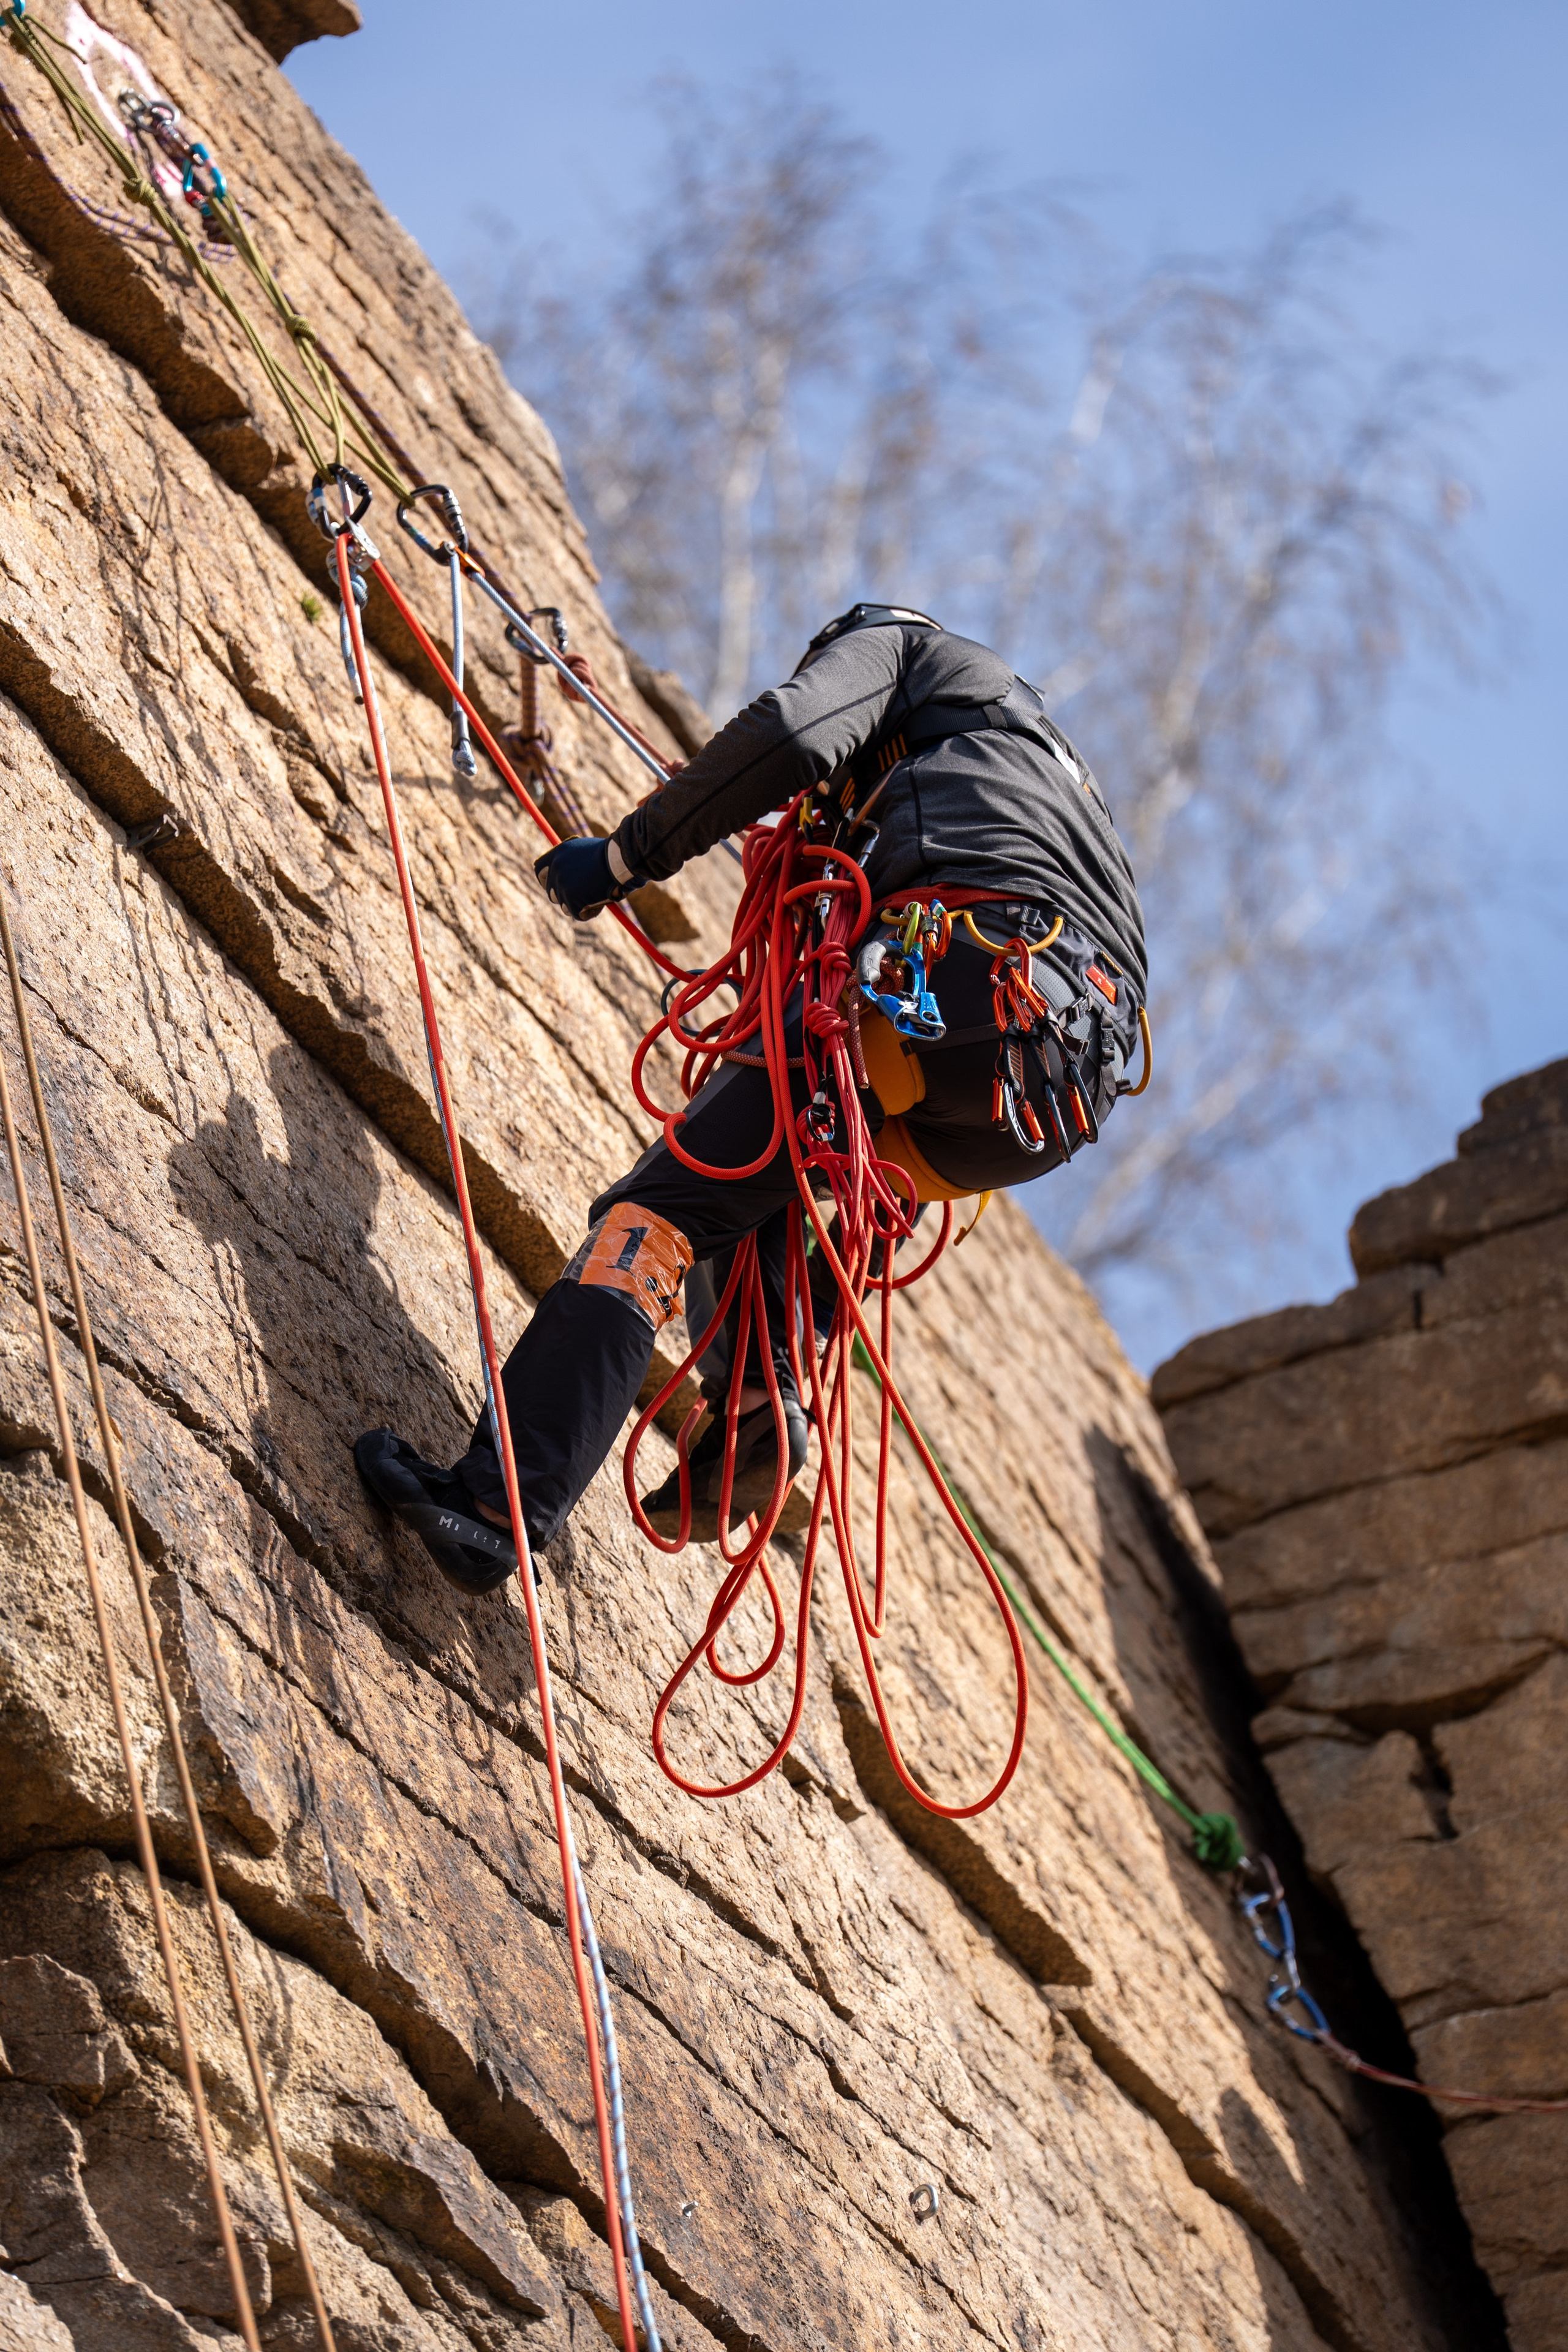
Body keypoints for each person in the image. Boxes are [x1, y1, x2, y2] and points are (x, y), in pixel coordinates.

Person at [355, 603, 1147, 1591]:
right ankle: (761, 1399)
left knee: (660, 1215)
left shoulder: (910, 653)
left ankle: (492, 1507)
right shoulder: (1053, 792)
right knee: (771, 1178)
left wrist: (625, 857)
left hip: (954, 976)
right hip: (1045, 1098)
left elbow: (795, 731)